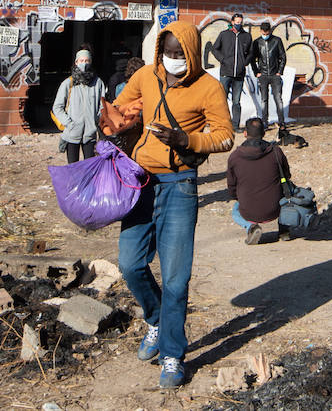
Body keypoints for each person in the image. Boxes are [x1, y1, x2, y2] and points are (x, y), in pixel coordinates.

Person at [98, 21, 234, 389]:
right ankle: (156, 319)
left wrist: (186, 139)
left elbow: (225, 138)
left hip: (180, 186)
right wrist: (110, 117)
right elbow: (122, 111)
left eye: (180, 54)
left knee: (176, 278)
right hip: (139, 182)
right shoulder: (145, 76)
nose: (173, 60)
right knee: (130, 263)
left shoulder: (208, 88)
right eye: (168, 53)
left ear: (191, 53)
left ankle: (173, 352)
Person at [226, 117, 293, 245]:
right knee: (289, 191)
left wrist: (239, 198)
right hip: (275, 208)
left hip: (247, 210)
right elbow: (287, 175)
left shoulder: (234, 157)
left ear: (245, 133)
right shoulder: (276, 152)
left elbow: (231, 187)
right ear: (264, 133)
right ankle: (284, 228)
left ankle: (251, 227)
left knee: (235, 210)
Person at [51, 47, 106, 162]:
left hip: (90, 135)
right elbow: (57, 107)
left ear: (91, 62)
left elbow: (103, 106)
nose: (84, 64)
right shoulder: (68, 83)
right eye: (81, 61)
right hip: (71, 134)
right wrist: (69, 123)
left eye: (87, 61)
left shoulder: (98, 83)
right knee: (73, 167)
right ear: (76, 62)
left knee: (90, 167)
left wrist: (96, 121)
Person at [211, 12, 253, 128]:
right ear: (232, 22)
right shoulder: (224, 35)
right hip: (226, 72)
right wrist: (223, 59)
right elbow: (215, 49)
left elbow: (251, 52)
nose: (238, 24)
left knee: (236, 102)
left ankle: (235, 125)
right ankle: (222, 124)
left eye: (240, 22)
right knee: (222, 100)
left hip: (239, 74)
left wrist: (245, 62)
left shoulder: (246, 36)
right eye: (236, 22)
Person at [250, 21, 288, 139]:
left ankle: (282, 123)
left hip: (274, 74)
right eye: (263, 32)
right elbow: (252, 59)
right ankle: (264, 123)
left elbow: (283, 56)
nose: (265, 34)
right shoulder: (257, 42)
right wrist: (257, 72)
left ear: (270, 31)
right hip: (263, 75)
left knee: (278, 99)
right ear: (261, 31)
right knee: (264, 100)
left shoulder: (276, 41)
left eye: (267, 32)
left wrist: (279, 72)